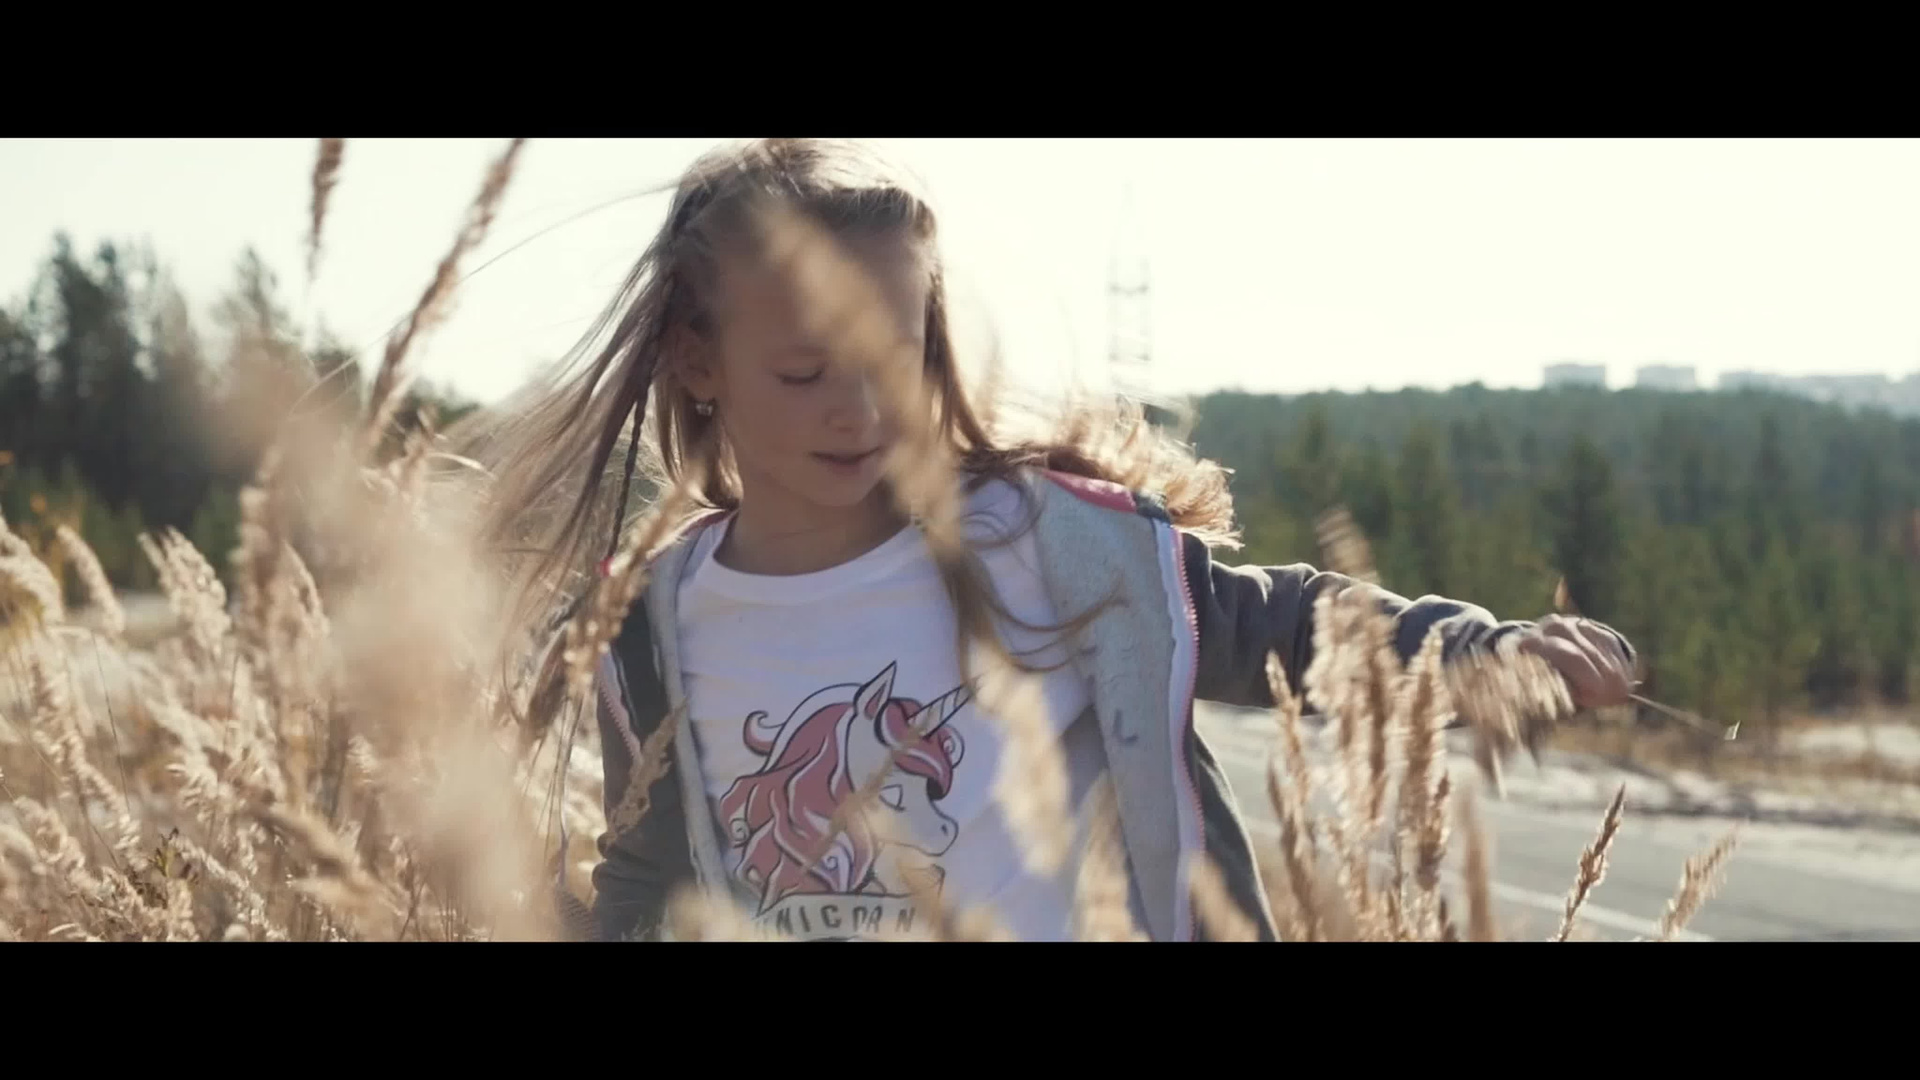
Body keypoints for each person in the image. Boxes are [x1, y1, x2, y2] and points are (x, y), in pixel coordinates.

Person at [477, 138, 1638, 943]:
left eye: (896, 358)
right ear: (695, 359)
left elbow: (1279, 623)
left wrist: (1478, 649)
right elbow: (648, 871)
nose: (862, 408)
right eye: (805, 371)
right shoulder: (652, 626)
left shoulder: (1036, 540)